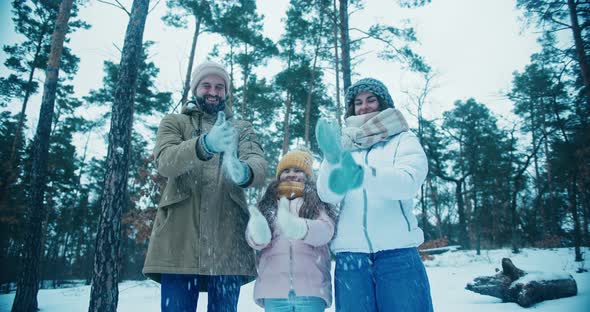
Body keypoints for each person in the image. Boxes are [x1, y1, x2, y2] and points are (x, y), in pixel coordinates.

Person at [143, 60, 268, 312]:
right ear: (195, 89)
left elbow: (259, 165)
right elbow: (165, 162)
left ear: (226, 92)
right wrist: (204, 145)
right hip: (178, 242)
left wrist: (244, 170)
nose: (213, 91)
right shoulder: (175, 122)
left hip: (227, 243)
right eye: (206, 85)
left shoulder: (241, 128)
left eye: (220, 87)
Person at [315, 78, 434, 312]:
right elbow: (327, 194)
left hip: (397, 255)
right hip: (352, 258)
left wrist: (361, 174)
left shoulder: (403, 140)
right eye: (358, 102)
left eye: (371, 100)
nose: (364, 106)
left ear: (384, 104)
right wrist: (331, 159)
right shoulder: (343, 145)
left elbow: (407, 183)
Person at [245, 149, 337, 312]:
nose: (291, 174)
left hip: (311, 290)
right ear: (279, 175)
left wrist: (301, 228)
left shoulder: (316, 201)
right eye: (286, 170)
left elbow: (325, 231)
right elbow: (255, 242)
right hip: (274, 290)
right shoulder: (269, 204)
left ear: (308, 176)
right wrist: (259, 233)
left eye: (298, 170)